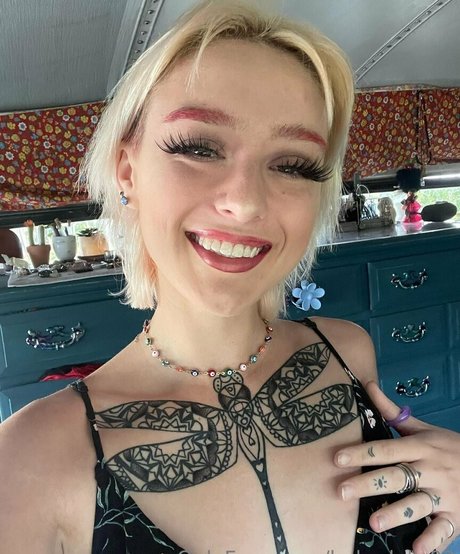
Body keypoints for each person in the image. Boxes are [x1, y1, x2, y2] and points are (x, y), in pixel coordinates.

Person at [0, 1, 459, 553]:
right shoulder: (28, 462)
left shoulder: (347, 351)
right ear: (127, 172)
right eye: (197, 148)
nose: (245, 202)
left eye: (293, 165)